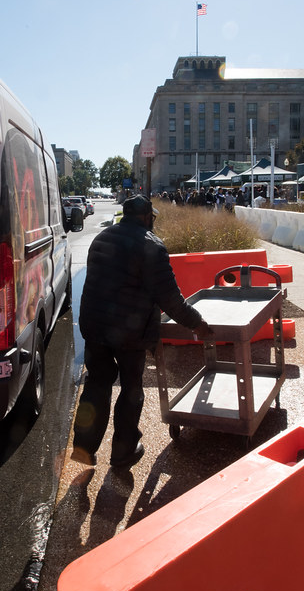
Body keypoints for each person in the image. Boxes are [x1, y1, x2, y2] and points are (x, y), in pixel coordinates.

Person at [71, 195, 212, 469]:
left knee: (97, 382)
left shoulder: (102, 238)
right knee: (131, 388)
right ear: (147, 217)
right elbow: (170, 298)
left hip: (95, 326)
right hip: (129, 332)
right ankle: (123, 452)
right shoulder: (151, 245)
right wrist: (197, 323)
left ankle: (84, 446)